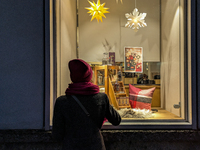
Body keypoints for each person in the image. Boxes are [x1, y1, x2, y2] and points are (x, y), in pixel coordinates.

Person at [52, 59, 121, 150]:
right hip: (95, 146)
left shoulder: (61, 102)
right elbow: (116, 120)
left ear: (72, 76)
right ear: (89, 75)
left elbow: (57, 135)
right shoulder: (101, 98)